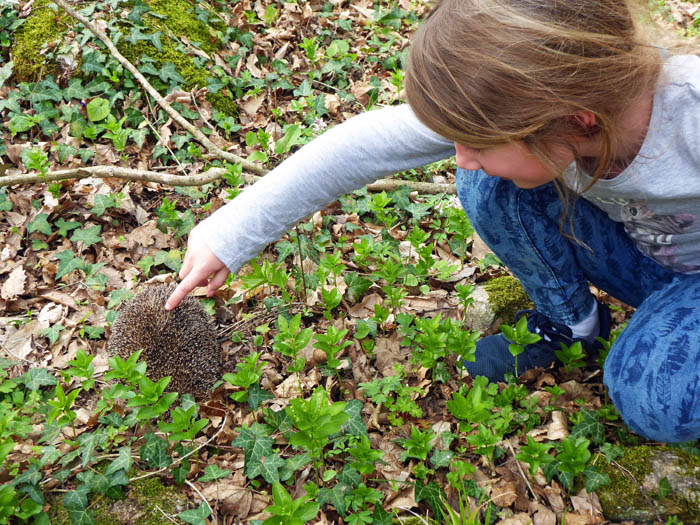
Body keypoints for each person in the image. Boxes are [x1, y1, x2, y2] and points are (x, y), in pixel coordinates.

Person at [165, 0, 700, 443]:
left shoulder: (689, 119)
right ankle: (573, 324)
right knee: (488, 182)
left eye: (476, 142)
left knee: (656, 399)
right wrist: (228, 235)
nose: (458, 154)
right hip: (642, 255)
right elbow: (361, 146)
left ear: (576, 119)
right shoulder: (532, 104)